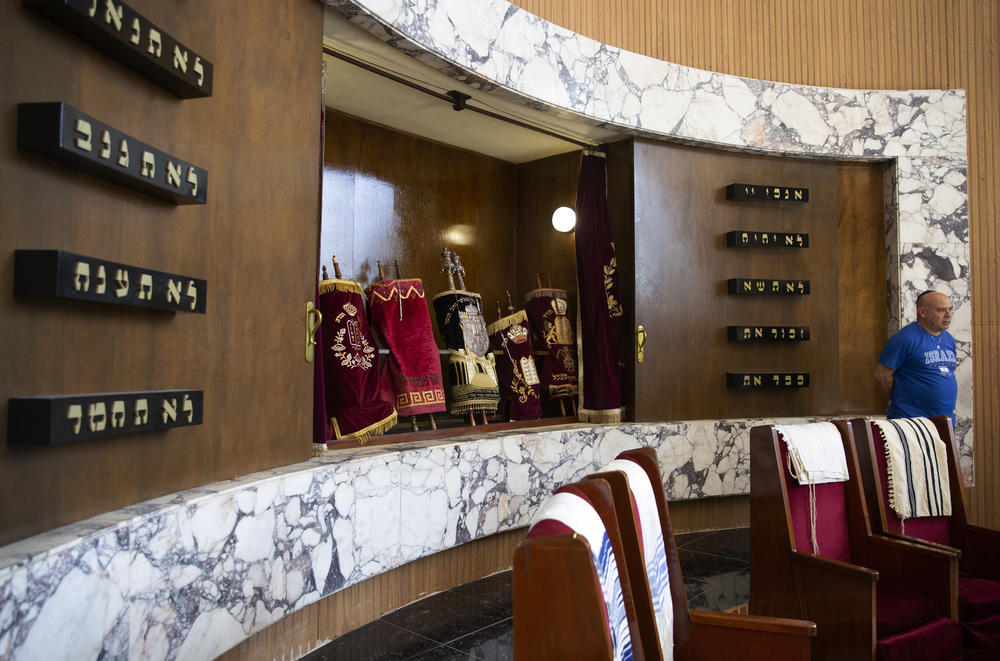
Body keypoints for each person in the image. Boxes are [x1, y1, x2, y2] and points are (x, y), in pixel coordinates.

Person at [874, 290, 957, 422]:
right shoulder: (905, 338)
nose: (948, 315)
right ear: (922, 312)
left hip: (944, 420)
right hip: (911, 420)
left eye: (950, 309)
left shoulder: (949, 339)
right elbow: (882, 375)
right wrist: (900, 400)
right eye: (941, 310)